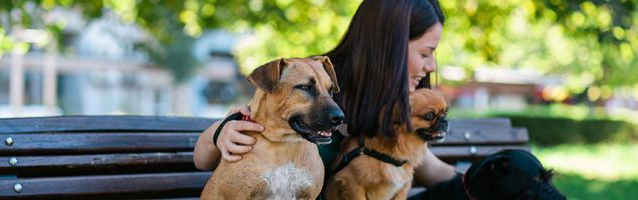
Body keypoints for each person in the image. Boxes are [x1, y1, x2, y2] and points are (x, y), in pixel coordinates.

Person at [193, 0, 458, 197]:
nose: (432, 66)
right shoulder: (313, 77)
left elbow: (428, 168)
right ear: (391, 46)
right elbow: (204, 159)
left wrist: (482, 182)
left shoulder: (395, 105)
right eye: (426, 53)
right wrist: (220, 131)